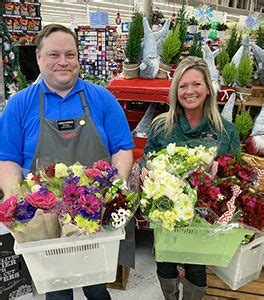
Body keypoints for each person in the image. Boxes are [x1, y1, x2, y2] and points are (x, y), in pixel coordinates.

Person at [0, 24, 135, 300]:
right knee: (57, 289)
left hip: (94, 214)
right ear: (39, 58)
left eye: (70, 54)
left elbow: (122, 149)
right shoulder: (20, 105)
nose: (63, 62)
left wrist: (114, 191)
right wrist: (18, 203)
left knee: (97, 286)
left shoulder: (103, 99)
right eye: (54, 54)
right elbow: (8, 159)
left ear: (78, 58)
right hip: (44, 218)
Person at [143, 56, 241, 300]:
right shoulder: (160, 127)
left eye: (196, 84)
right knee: (164, 259)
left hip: (203, 217)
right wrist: (147, 173)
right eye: (182, 85)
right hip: (166, 214)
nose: (189, 91)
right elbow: (146, 160)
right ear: (175, 91)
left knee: (196, 265)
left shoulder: (225, 131)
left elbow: (236, 174)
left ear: (208, 88)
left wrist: (221, 176)